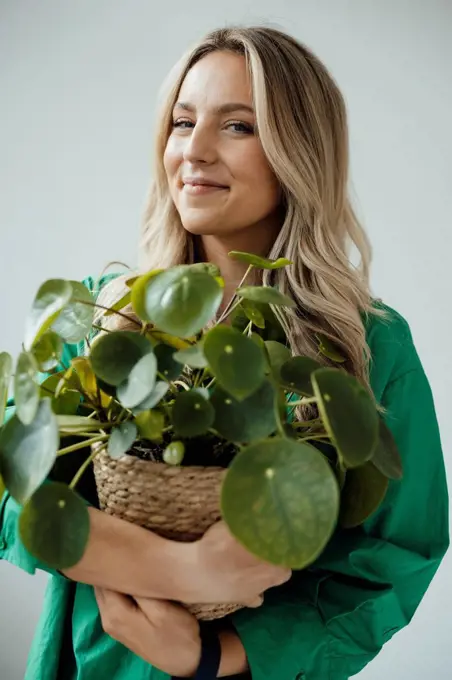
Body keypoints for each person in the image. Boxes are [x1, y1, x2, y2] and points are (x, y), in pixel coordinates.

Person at [1, 25, 449, 680]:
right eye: (183, 123)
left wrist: (211, 656)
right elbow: (15, 491)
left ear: (299, 151)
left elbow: (394, 561)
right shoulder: (104, 312)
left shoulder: (366, 344)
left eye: (238, 126)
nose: (195, 151)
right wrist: (183, 569)